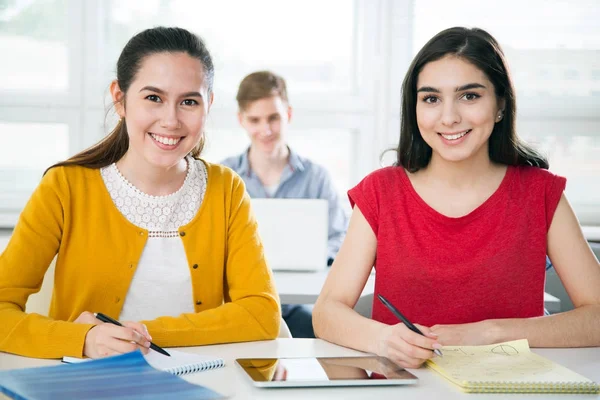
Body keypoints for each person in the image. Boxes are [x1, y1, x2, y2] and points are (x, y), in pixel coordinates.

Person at [313, 27, 600, 368]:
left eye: (469, 96)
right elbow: (327, 313)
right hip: (404, 389)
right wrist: (383, 338)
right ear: (414, 108)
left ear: (501, 105)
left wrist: (492, 333)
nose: (449, 117)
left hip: (511, 389)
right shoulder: (381, 192)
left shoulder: (541, 193)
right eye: (431, 99)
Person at [0, 27, 280, 359]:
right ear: (120, 99)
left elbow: (261, 314)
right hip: (86, 387)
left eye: (189, 102)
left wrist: (142, 336)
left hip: (201, 385)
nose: (171, 120)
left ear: (209, 105)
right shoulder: (65, 187)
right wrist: (83, 339)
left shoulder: (226, 189)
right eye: (153, 98)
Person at [221, 71, 348, 338]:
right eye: (255, 120)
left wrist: (313, 253)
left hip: (296, 305)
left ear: (288, 114)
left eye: (273, 118)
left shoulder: (316, 177)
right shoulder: (225, 177)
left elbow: (341, 237)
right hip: (240, 304)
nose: (265, 130)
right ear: (241, 120)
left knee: (324, 332)